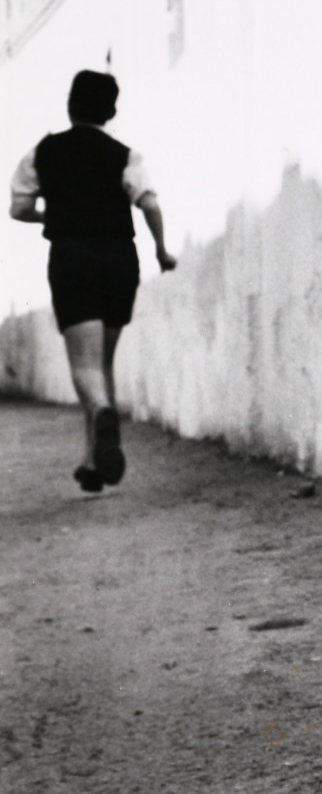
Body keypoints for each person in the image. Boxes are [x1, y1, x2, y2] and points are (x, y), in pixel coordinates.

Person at [9, 69, 175, 492]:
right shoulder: (126, 154)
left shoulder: (41, 152)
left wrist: (55, 214)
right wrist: (161, 250)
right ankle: (93, 463)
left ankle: (103, 412)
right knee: (102, 361)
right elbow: (150, 204)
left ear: (70, 104)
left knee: (85, 365)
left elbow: (19, 207)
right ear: (111, 110)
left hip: (72, 258)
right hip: (121, 259)